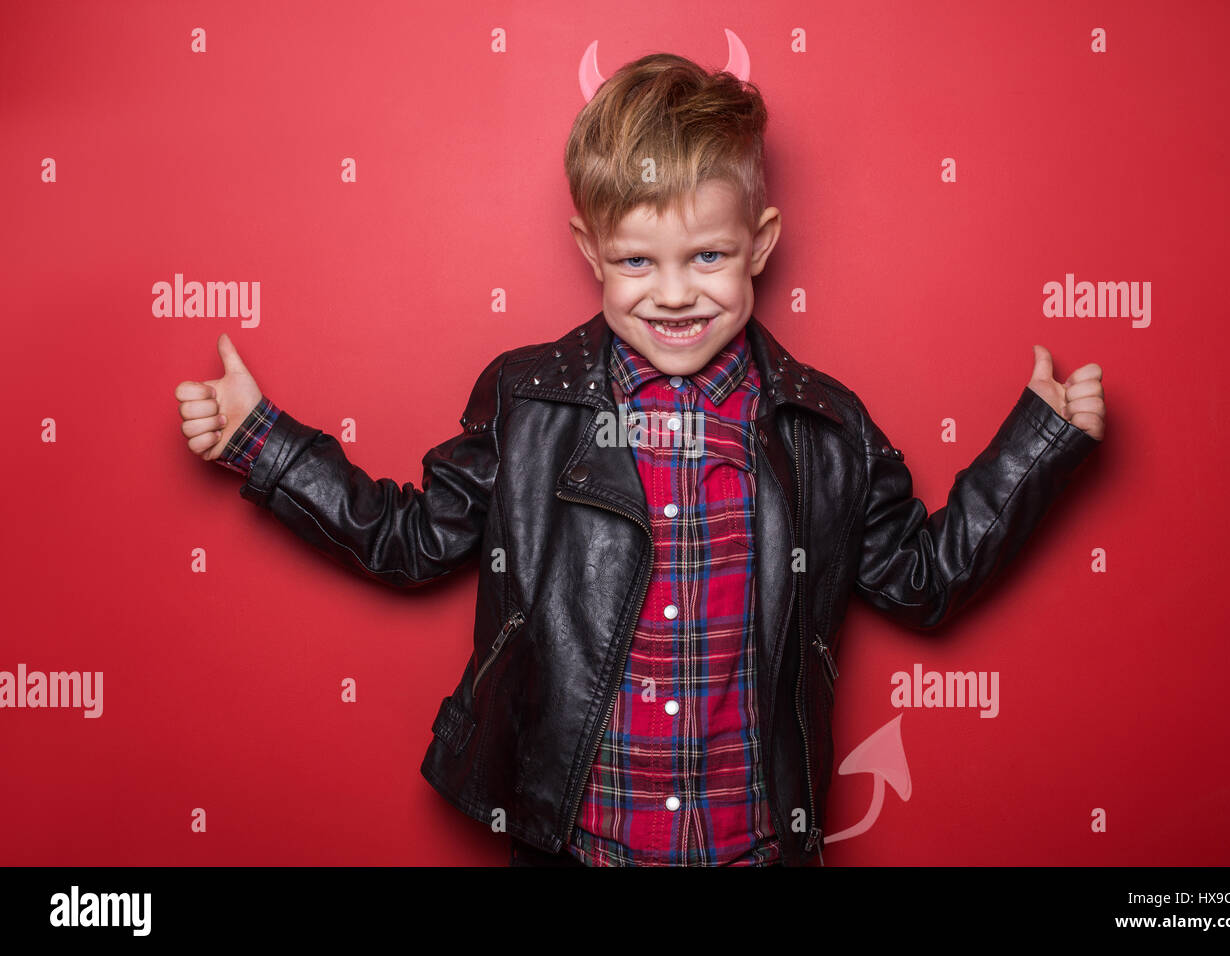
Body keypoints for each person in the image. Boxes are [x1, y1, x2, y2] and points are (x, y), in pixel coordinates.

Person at [172, 51, 1104, 867]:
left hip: (754, 845)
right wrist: (264, 441)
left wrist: (1041, 445)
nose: (672, 296)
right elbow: (412, 540)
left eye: (706, 257)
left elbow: (920, 581)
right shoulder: (530, 401)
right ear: (590, 251)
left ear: (761, 246)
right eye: (635, 263)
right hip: (574, 840)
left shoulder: (826, 428)